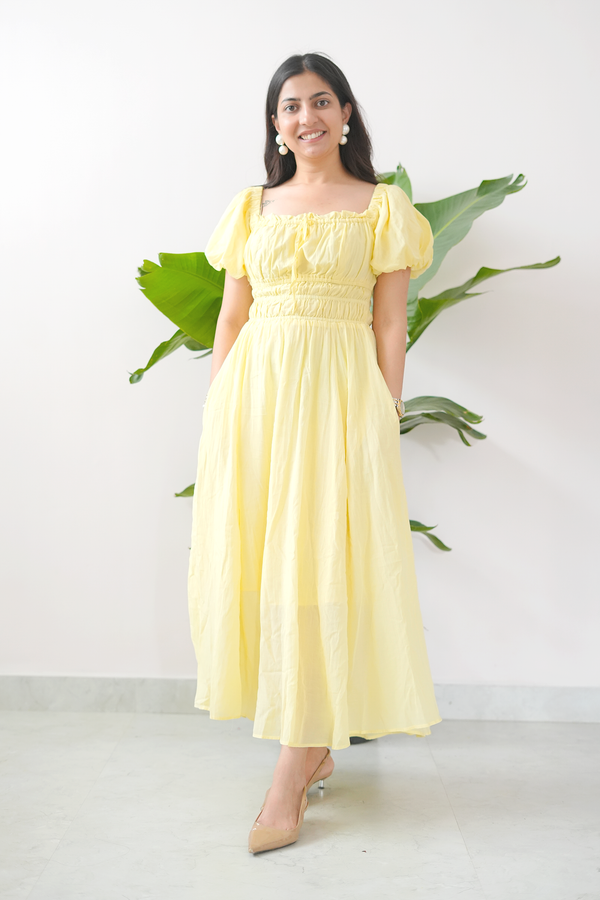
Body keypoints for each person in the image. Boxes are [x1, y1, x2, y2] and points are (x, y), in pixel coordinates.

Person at [187, 51, 442, 854]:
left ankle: (293, 768)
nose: (308, 117)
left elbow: (391, 323)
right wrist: (220, 407)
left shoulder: (382, 207)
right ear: (275, 124)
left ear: (347, 113)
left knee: (323, 562)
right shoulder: (251, 208)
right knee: (269, 563)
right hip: (254, 402)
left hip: (339, 399)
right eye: (292, 106)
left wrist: (383, 409)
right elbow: (233, 317)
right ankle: (313, 740)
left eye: (322, 102)